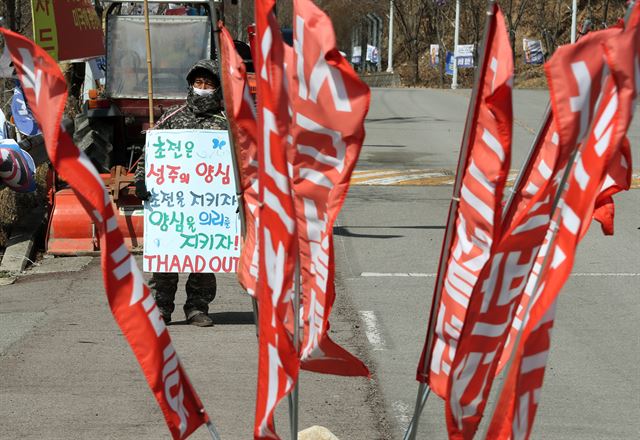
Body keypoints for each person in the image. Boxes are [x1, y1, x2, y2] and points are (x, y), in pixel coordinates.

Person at [134, 59, 227, 327]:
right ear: (190, 85)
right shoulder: (171, 118)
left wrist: (237, 195)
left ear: (217, 88)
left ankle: (197, 308)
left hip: (211, 206)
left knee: (204, 256)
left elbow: (240, 162)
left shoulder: (225, 124)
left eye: (208, 83)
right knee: (166, 257)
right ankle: (160, 309)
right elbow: (149, 154)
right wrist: (142, 181)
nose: (202, 88)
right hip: (172, 205)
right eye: (198, 82)